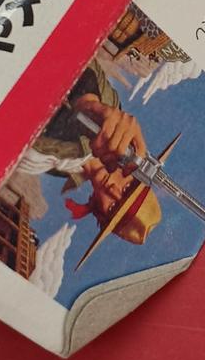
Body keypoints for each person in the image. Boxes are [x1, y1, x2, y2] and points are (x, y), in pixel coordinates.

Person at [20, 59, 162, 248]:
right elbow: (80, 67)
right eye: (127, 188)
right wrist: (89, 105)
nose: (112, 190)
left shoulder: (64, 171)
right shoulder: (109, 112)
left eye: (113, 207)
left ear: (101, 214)